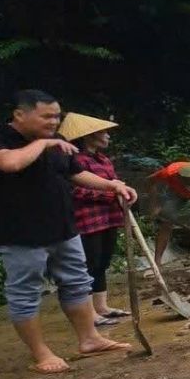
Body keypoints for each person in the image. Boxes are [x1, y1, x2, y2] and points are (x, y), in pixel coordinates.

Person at [0, 90, 136, 374]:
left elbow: (74, 173)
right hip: (21, 234)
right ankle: (41, 354)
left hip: (63, 227)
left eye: (57, 116)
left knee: (76, 281)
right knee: (25, 292)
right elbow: (9, 163)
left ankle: (90, 339)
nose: (54, 121)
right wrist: (44, 143)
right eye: (46, 116)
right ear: (20, 114)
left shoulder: (58, 142)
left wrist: (112, 185)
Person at [65, 114, 129, 325]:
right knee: (90, 264)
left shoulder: (103, 159)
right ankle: (89, 312)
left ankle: (102, 306)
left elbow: (112, 182)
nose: (108, 136)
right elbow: (76, 190)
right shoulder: (76, 161)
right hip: (88, 221)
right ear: (90, 136)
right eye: (104, 132)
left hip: (109, 218)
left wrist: (121, 191)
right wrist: (110, 193)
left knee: (102, 262)